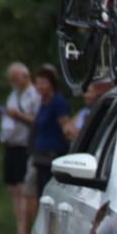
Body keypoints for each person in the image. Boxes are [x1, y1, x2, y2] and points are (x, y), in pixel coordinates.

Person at [0, 62, 40, 234]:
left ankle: (25, 231)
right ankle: (19, 229)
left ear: (25, 76)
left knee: (24, 188)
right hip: (11, 143)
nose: (13, 82)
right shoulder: (13, 95)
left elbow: (36, 121)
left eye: (16, 79)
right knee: (13, 188)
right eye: (11, 80)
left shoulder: (34, 95)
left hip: (25, 144)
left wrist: (17, 116)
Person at [27, 66, 72, 197]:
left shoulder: (58, 103)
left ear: (51, 84)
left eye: (43, 83)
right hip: (41, 156)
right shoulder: (43, 103)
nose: (39, 86)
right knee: (39, 192)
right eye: (37, 83)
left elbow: (66, 126)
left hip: (52, 156)